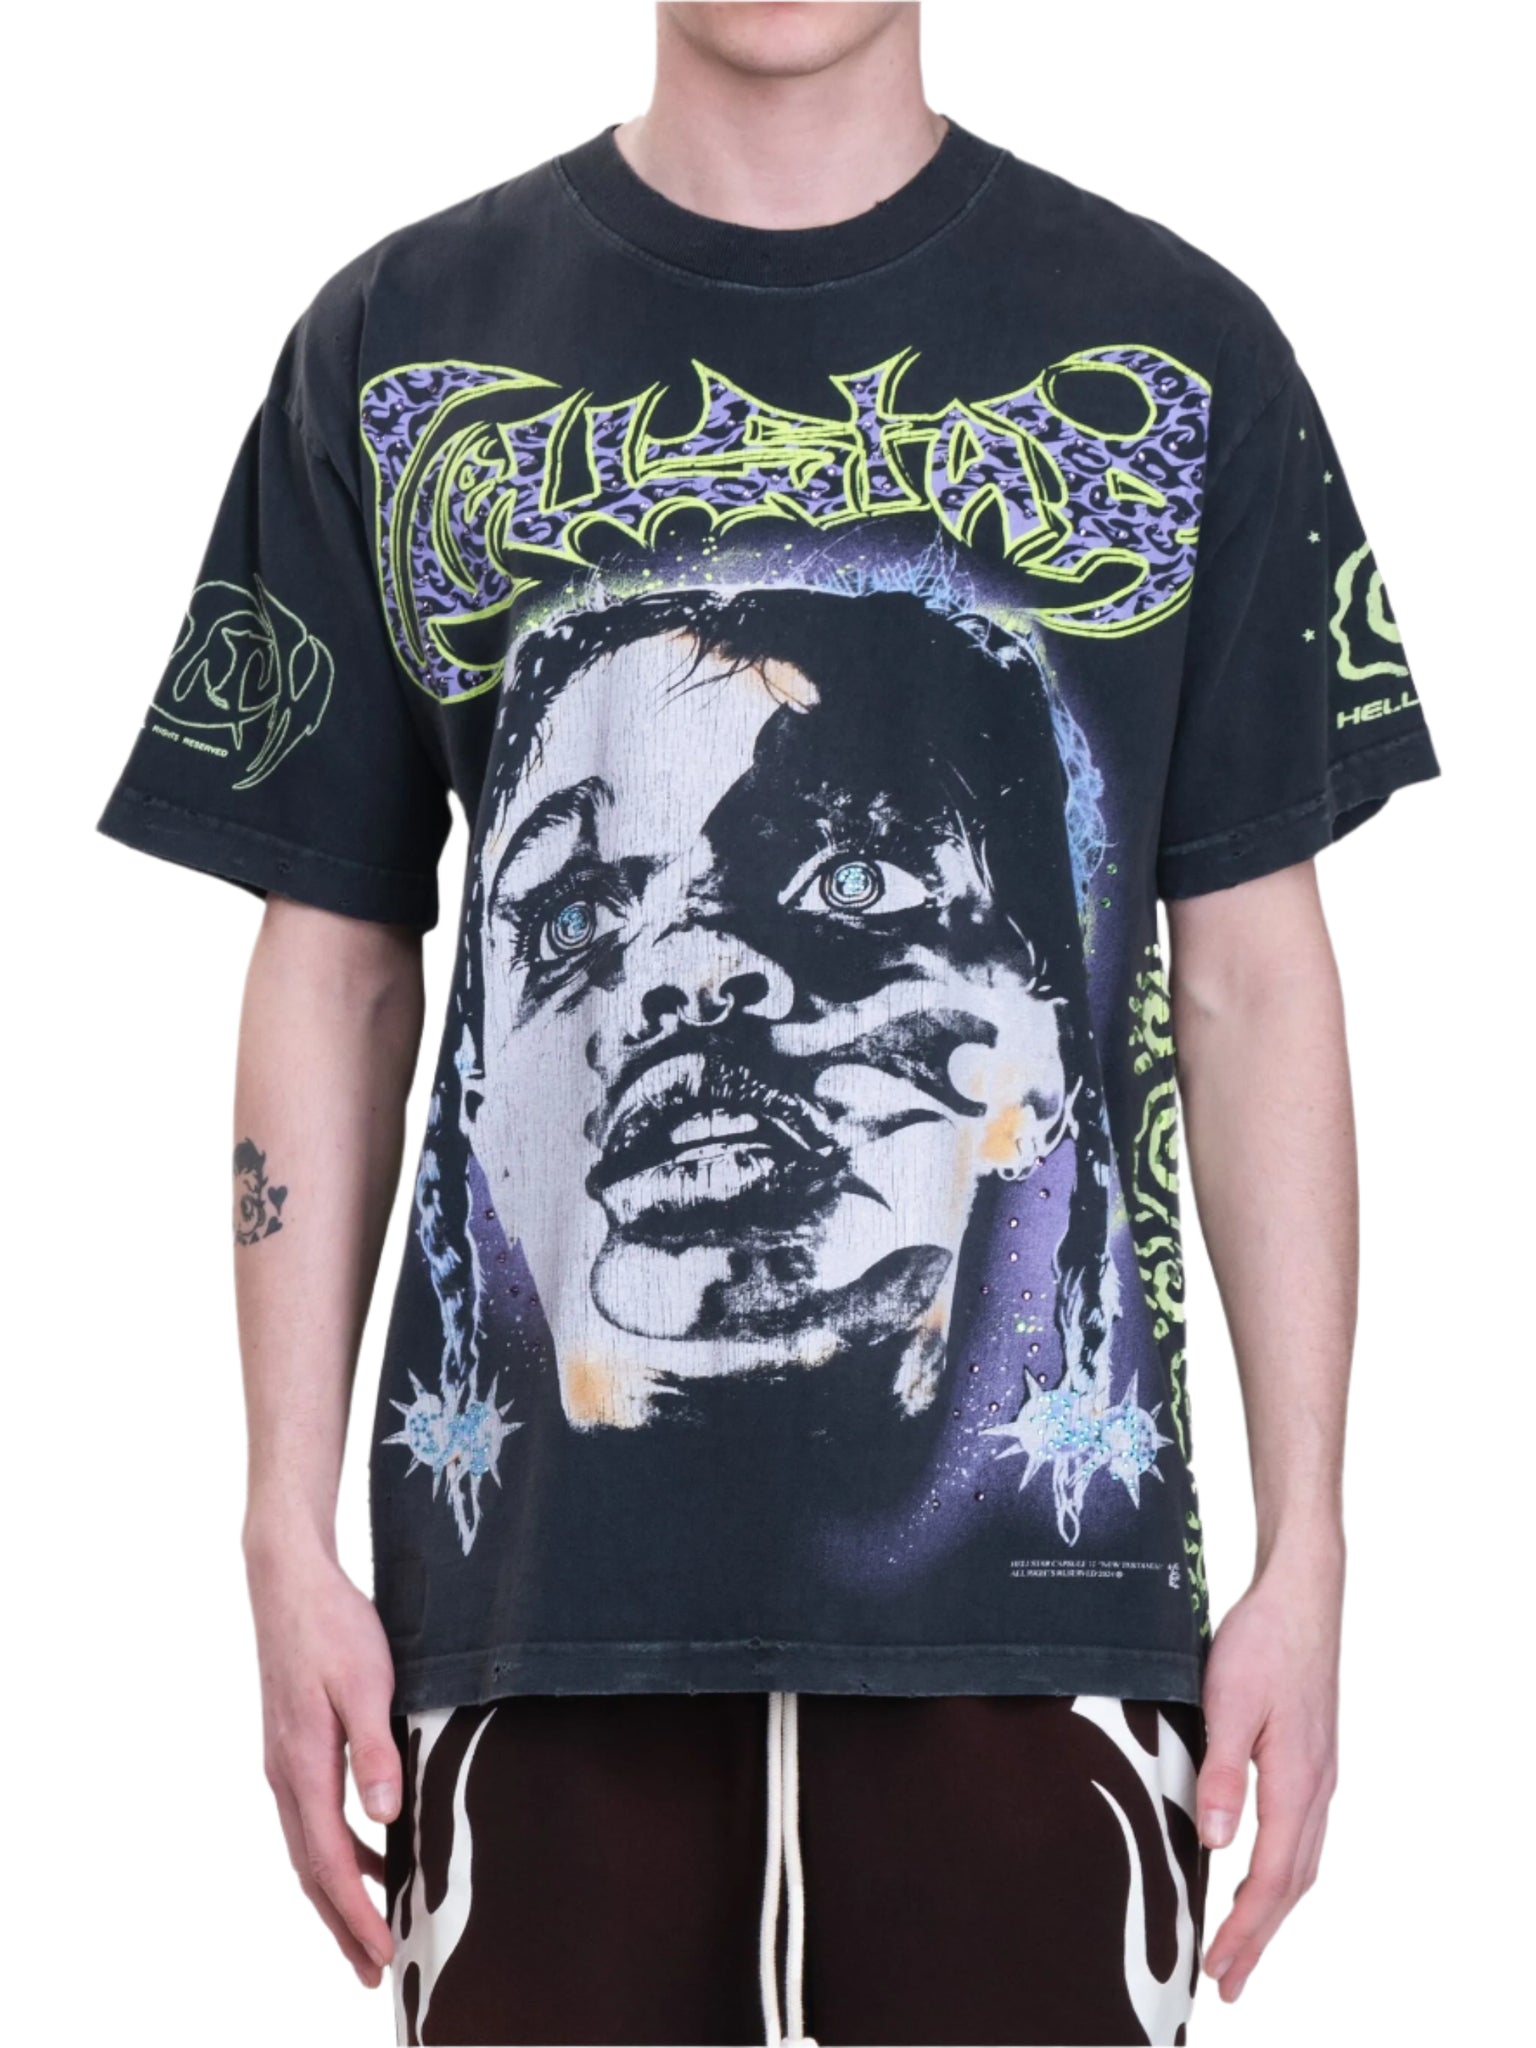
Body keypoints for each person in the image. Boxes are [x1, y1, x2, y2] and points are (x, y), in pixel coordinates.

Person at [95, 4, 1439, 2042]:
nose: (697, 974)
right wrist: (280, 1520)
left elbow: (1254, 971)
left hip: (1049, 1640)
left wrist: (1309, 1540)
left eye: (858, 884)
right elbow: (335, 950)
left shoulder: (1179, 361)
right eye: (584, 909)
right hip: (533, 1638)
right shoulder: (395, 347)